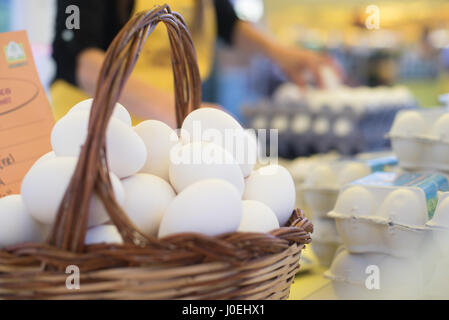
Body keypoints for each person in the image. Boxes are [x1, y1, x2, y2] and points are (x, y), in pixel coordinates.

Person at [52, 0, 339, 127]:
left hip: (164, 129)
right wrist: (182, 110)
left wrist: (281, 52)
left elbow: (228, 22)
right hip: (91, 128)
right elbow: (77, 57)